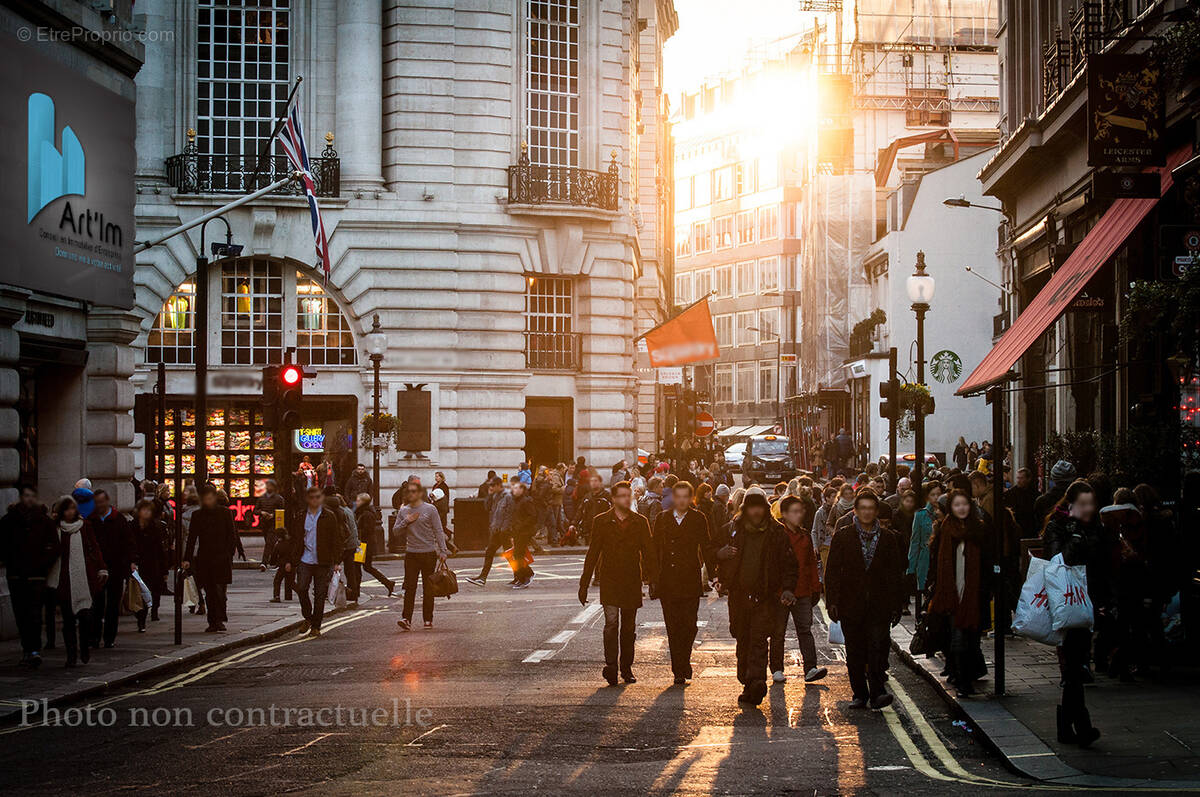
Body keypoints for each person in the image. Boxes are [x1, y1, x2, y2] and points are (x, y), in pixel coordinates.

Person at [825, 489, 904, 710]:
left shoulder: (888, 538)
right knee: (856, 651)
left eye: (871, 508)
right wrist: (832, 600)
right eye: (863, 508)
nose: (867, 512)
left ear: (876, 511)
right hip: (851, 604)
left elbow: (894, 573)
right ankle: (859, 694)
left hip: (879, 604)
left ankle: (878, 692)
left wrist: (897, 605)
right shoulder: (844, 536)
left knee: (878, 648)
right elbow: (832, 571)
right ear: (856, 511)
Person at [718, 491, 798, 706]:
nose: (756, 512)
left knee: (759, 640)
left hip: (765, 597)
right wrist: (720, 556)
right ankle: (747, 680)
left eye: (759, 507)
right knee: (742, 637)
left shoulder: (776, 533)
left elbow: (789, 564)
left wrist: (788, 589)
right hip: (738, 596)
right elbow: (712, 551)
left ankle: (757, 681)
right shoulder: (732, 530)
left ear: (765, 509)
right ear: (745, 509)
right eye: (752, 507)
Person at [1041, 480, 1104, 746]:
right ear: (1071, 505)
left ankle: (1066, 728)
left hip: (1088, 603)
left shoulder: (1096, 527)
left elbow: (1099, 567)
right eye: (1083, 504)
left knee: (1075, 669)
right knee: (1075, 668)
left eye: (1091, 503)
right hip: (1065, 603)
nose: (1089, 509)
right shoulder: (1057, 526)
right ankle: (1082, 726)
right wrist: (1075, 535)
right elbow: (1058, 561)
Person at [579, 481, 657, 685]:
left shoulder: (640, 522)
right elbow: (593, 553)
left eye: (628, 496)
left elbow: (649, 553)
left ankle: (627, 668)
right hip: (610, 579)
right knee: (611, 624)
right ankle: (611, 666)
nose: (625, 499)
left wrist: (654, 580)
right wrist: (584, 583)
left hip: (631, 579)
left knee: (628, 628)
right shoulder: (601, 521)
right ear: (614, 499)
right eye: (621, 496)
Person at [651, 481, 716, 685]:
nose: (681, 500)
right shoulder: (662, 519)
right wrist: (652, 578)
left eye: (685, 497)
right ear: (673, 498)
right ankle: (678, 668)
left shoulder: (698, 518)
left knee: (689, 625)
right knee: (673, 626)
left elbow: (706, 546)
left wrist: (714, 574)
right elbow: (654, 549)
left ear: (690, 499)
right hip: (668, 580)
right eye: (677, 496)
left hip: (689, 578)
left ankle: (684, 660)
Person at [927, 489, 988, 696]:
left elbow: (988, 562)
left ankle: (967, 676)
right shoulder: (945, 530)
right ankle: (962, 683)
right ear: (951, 509)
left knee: (972, 639)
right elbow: (935, 562)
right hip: (951, 594)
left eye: (964, 504)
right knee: (958, 638)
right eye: (957, 505)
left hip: (974, 593)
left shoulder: (979, 530)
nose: (961, 508)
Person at [0, 485, 58, 667]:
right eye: (26, 496)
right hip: (16, 575)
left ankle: (34, 649)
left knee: (34, 613)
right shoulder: (9, 520)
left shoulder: (44, 521)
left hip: (37, 576)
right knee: (20, 614)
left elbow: (54, 547)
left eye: (32, 496)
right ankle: (27, 648)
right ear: (20, 497)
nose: (29, 499)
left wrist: (43, 564)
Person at [772, 496, 827, 685]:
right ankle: (777, 669)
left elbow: (811, 563)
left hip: (803, 591)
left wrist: (815, 587)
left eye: (801, 511)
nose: (799, 515)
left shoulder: (804, 536)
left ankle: (810, 668)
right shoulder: (777, 535)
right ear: (785, 514)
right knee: (778, 632)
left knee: (805, 630)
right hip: (781, 593)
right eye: (795, 511)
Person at [47, 496, 106, 667]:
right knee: (68, 621)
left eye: (73, 508)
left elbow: (94, 548)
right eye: (67, 509)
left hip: (83, 578)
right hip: (64, 580)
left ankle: (84, 647)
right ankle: (71, 655)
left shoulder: (85, 526)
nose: (70, 512)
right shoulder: (56, 529)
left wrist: (101, 568)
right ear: (61, 512)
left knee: (85, 617)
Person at [288, 486, 343, 637]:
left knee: (319, 595)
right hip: (304, 559)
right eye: (311, 497)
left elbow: (336, 540)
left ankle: (316, 626)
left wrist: (337, 561)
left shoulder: (329, 516)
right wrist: (290, 560)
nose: (314, 500)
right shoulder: (300, 516)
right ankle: (308, 617)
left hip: (323, 561)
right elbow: (295, 539)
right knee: (301, 589)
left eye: (317, 497)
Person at [184, 484, 239, 633]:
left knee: (220, 592)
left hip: (221, 558)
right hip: (205, 558)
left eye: (210, 498)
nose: (208, 501)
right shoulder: (198, 515)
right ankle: (212, 621)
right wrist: (187, 558)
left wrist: (229, 553)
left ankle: (220, 619)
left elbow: (231, 535)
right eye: (205, 499)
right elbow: (192, 538)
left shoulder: (225, 513)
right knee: (209, 592)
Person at [394, 482, 449, 629]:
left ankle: (428, 619)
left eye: (413, 491)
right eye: (408, 492)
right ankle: (406, 618)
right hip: (411, 554)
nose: (410, 494)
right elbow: (396, 531)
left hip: (428, 553)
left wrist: (443, 551)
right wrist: (407, 521)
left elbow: (438, 530)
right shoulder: (404, 511)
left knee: (428, 588)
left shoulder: (430, 509)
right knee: (410, 587)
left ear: (419, 494)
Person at [88, 490, 135, 649]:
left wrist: (128, 563)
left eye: (101, 502)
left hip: (116, 568)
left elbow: (128, 543)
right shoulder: (91, 520)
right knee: (97, 605)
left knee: (113, 606)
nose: (99, 505)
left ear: (107, 501)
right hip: (97, 569)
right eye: (97, 503)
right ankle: (94, 637)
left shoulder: (118, 519)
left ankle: (109, 638)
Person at [467, 477, 513, 586]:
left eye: (492, 486)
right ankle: (482, 578)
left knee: (508, 554)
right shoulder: (495, 496)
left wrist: (504, 529)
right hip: (497, 530)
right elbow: (487, 508)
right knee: (492, 552)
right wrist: (489, 495)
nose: (490, 487)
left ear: (498, 485)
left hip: (504, 531)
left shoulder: (508, 497)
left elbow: (510, 515)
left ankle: (521, 575)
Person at [131, 499, 168, 631]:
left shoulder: (155, 527)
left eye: (149, 510)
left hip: (153, 563)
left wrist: (164, 570)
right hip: (139, 564)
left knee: (154, 590)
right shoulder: (133, 526)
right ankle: (141, 618)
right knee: (140, 592)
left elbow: (160, 549)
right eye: (144, 510)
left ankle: (154, 611)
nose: (146, 512)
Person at [908, 481, 943, 615]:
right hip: (925, 558)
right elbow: (915, 541)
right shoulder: (921, 515)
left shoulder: (947, 514)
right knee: (924, 593)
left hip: (940, 557)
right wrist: (911, 566)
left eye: (938, 494)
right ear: (927, 496)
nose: (936, 498)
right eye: (933, 494)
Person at [355, 493, 395, 596]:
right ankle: (388, 583)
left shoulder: (366, 514)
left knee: (359, 567)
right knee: (365, 567)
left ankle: (356, 591)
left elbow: (366, 531)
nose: (356, 502)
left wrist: (358, 533)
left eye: (358, 500)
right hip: (365, 544)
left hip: (363, 545)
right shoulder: (364, 512)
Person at [329, 495, 361, 606]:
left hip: (347, 544)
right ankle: (353, 593)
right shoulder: (348, 510)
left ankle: (335, 592)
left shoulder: (341, 512)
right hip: (353, 543)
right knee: (350, 570)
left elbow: (344, 530)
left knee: (334, 567)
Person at [508, 479, 538, 589]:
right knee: (517, 555)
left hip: (524, 532)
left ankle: (525, 577)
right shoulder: (517, 501)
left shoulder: (526, 501)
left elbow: (532, 516)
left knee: (518, 555)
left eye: (516, 488)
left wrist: (521, 526)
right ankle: (524, 576)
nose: (514, 490)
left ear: (522, 489)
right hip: (517, 531)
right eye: (513, 488)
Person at [569, 473, 610, 546]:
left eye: (595, 481)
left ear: (600, 482)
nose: (593, 483)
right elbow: (580, 511)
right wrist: (573, 524)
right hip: (589, 529)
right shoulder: (587, 497)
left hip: (603, 529)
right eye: (591, 481)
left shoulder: (607, 496)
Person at [255, 479, 287, 573]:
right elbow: (255, 510)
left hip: (274, 523)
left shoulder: (279, 498)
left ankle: (264, 562)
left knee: (269, 543)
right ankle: (276, 562)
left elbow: (283, 511)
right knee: (270, 543)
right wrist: (262, 512)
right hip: (264, 523)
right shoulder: (261, 498)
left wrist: (273, 515)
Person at [1005, 467, 1039, 539]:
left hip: (1030, 528)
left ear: (1028, 479)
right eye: (1018, 478)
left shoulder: (1035, 494)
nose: (1018, 481)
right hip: (1016, 529)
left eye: (1021, 478)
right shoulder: (1011, 494)